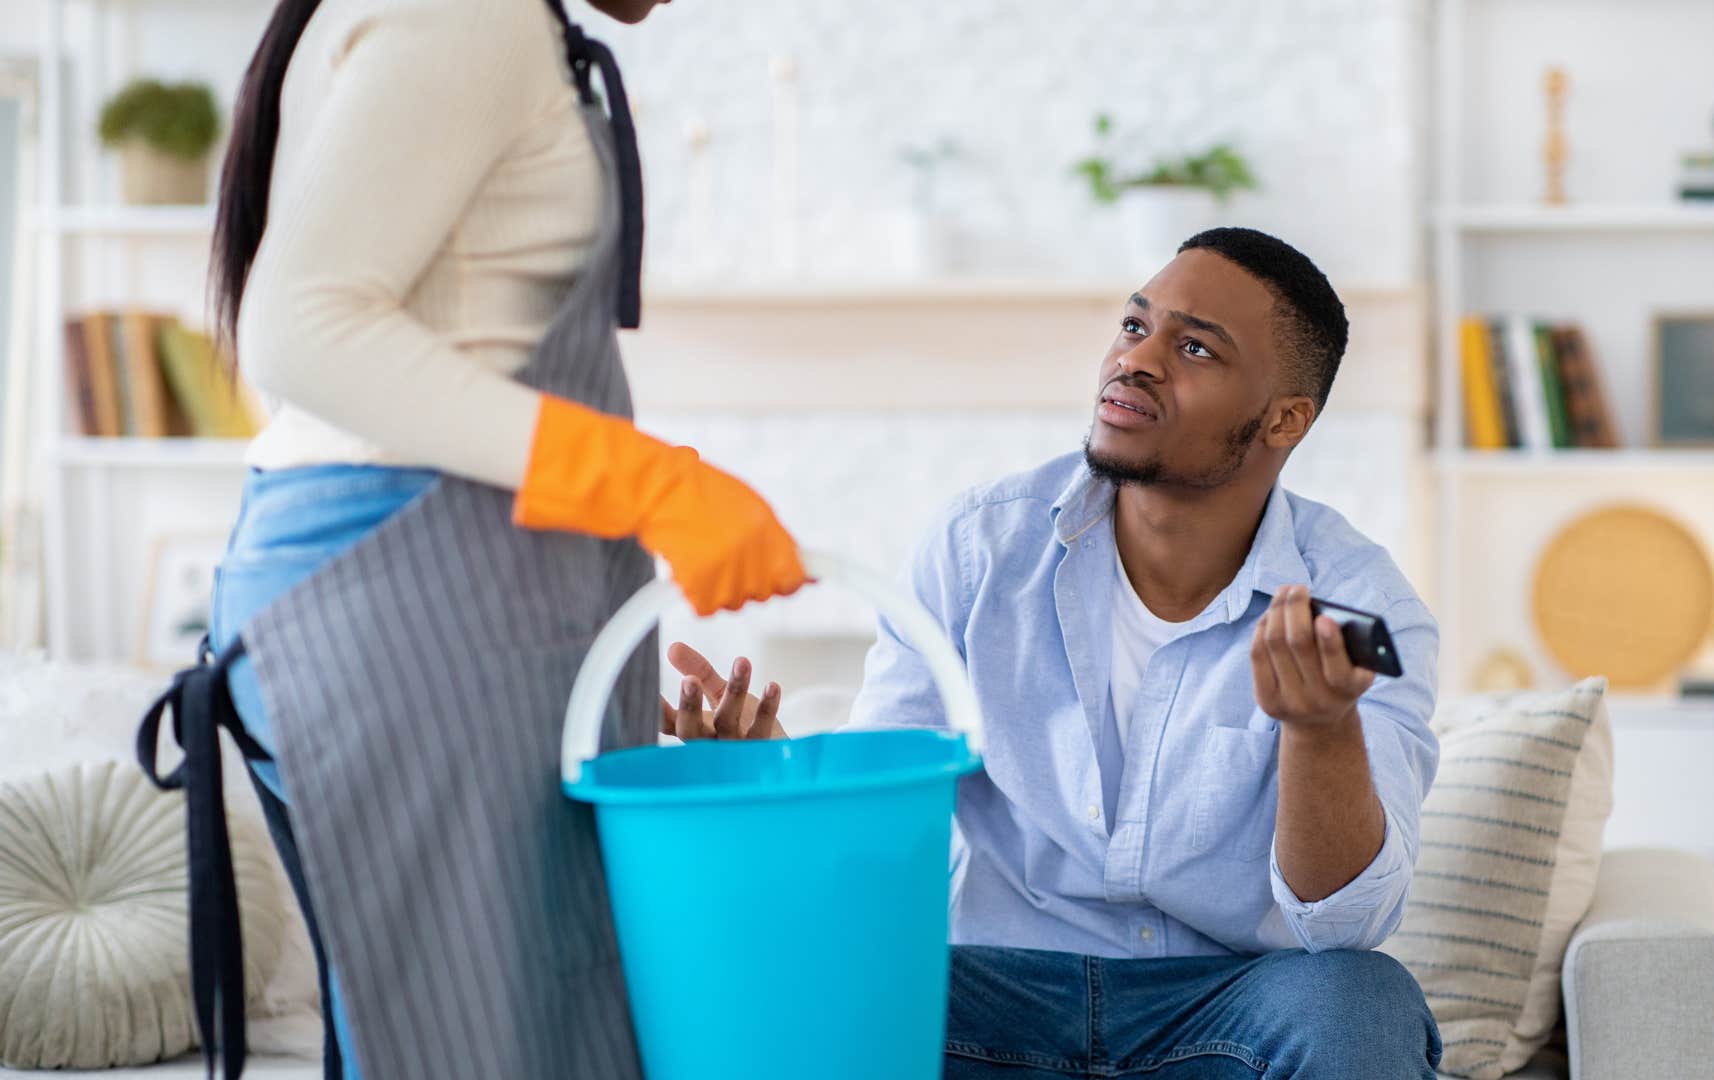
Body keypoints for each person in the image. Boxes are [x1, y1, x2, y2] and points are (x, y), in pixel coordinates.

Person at [135, 0, 805, 1078]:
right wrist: (646, 480)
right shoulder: (469, 11)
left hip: (398, 590)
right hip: (416, 590)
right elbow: (301, 323)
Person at [668, 228, 1445, 1078]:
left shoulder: (1364, 606)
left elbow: (1340, 928)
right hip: (992, 997)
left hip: (1224, 1010)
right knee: (798, 971)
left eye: (1192, 348)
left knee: (1362, 998)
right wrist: (766, 779)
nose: (1137, 361)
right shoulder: (980, 549)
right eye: (1133, 326)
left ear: (1285, 419)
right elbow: (883, 834)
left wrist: (1320, 729)